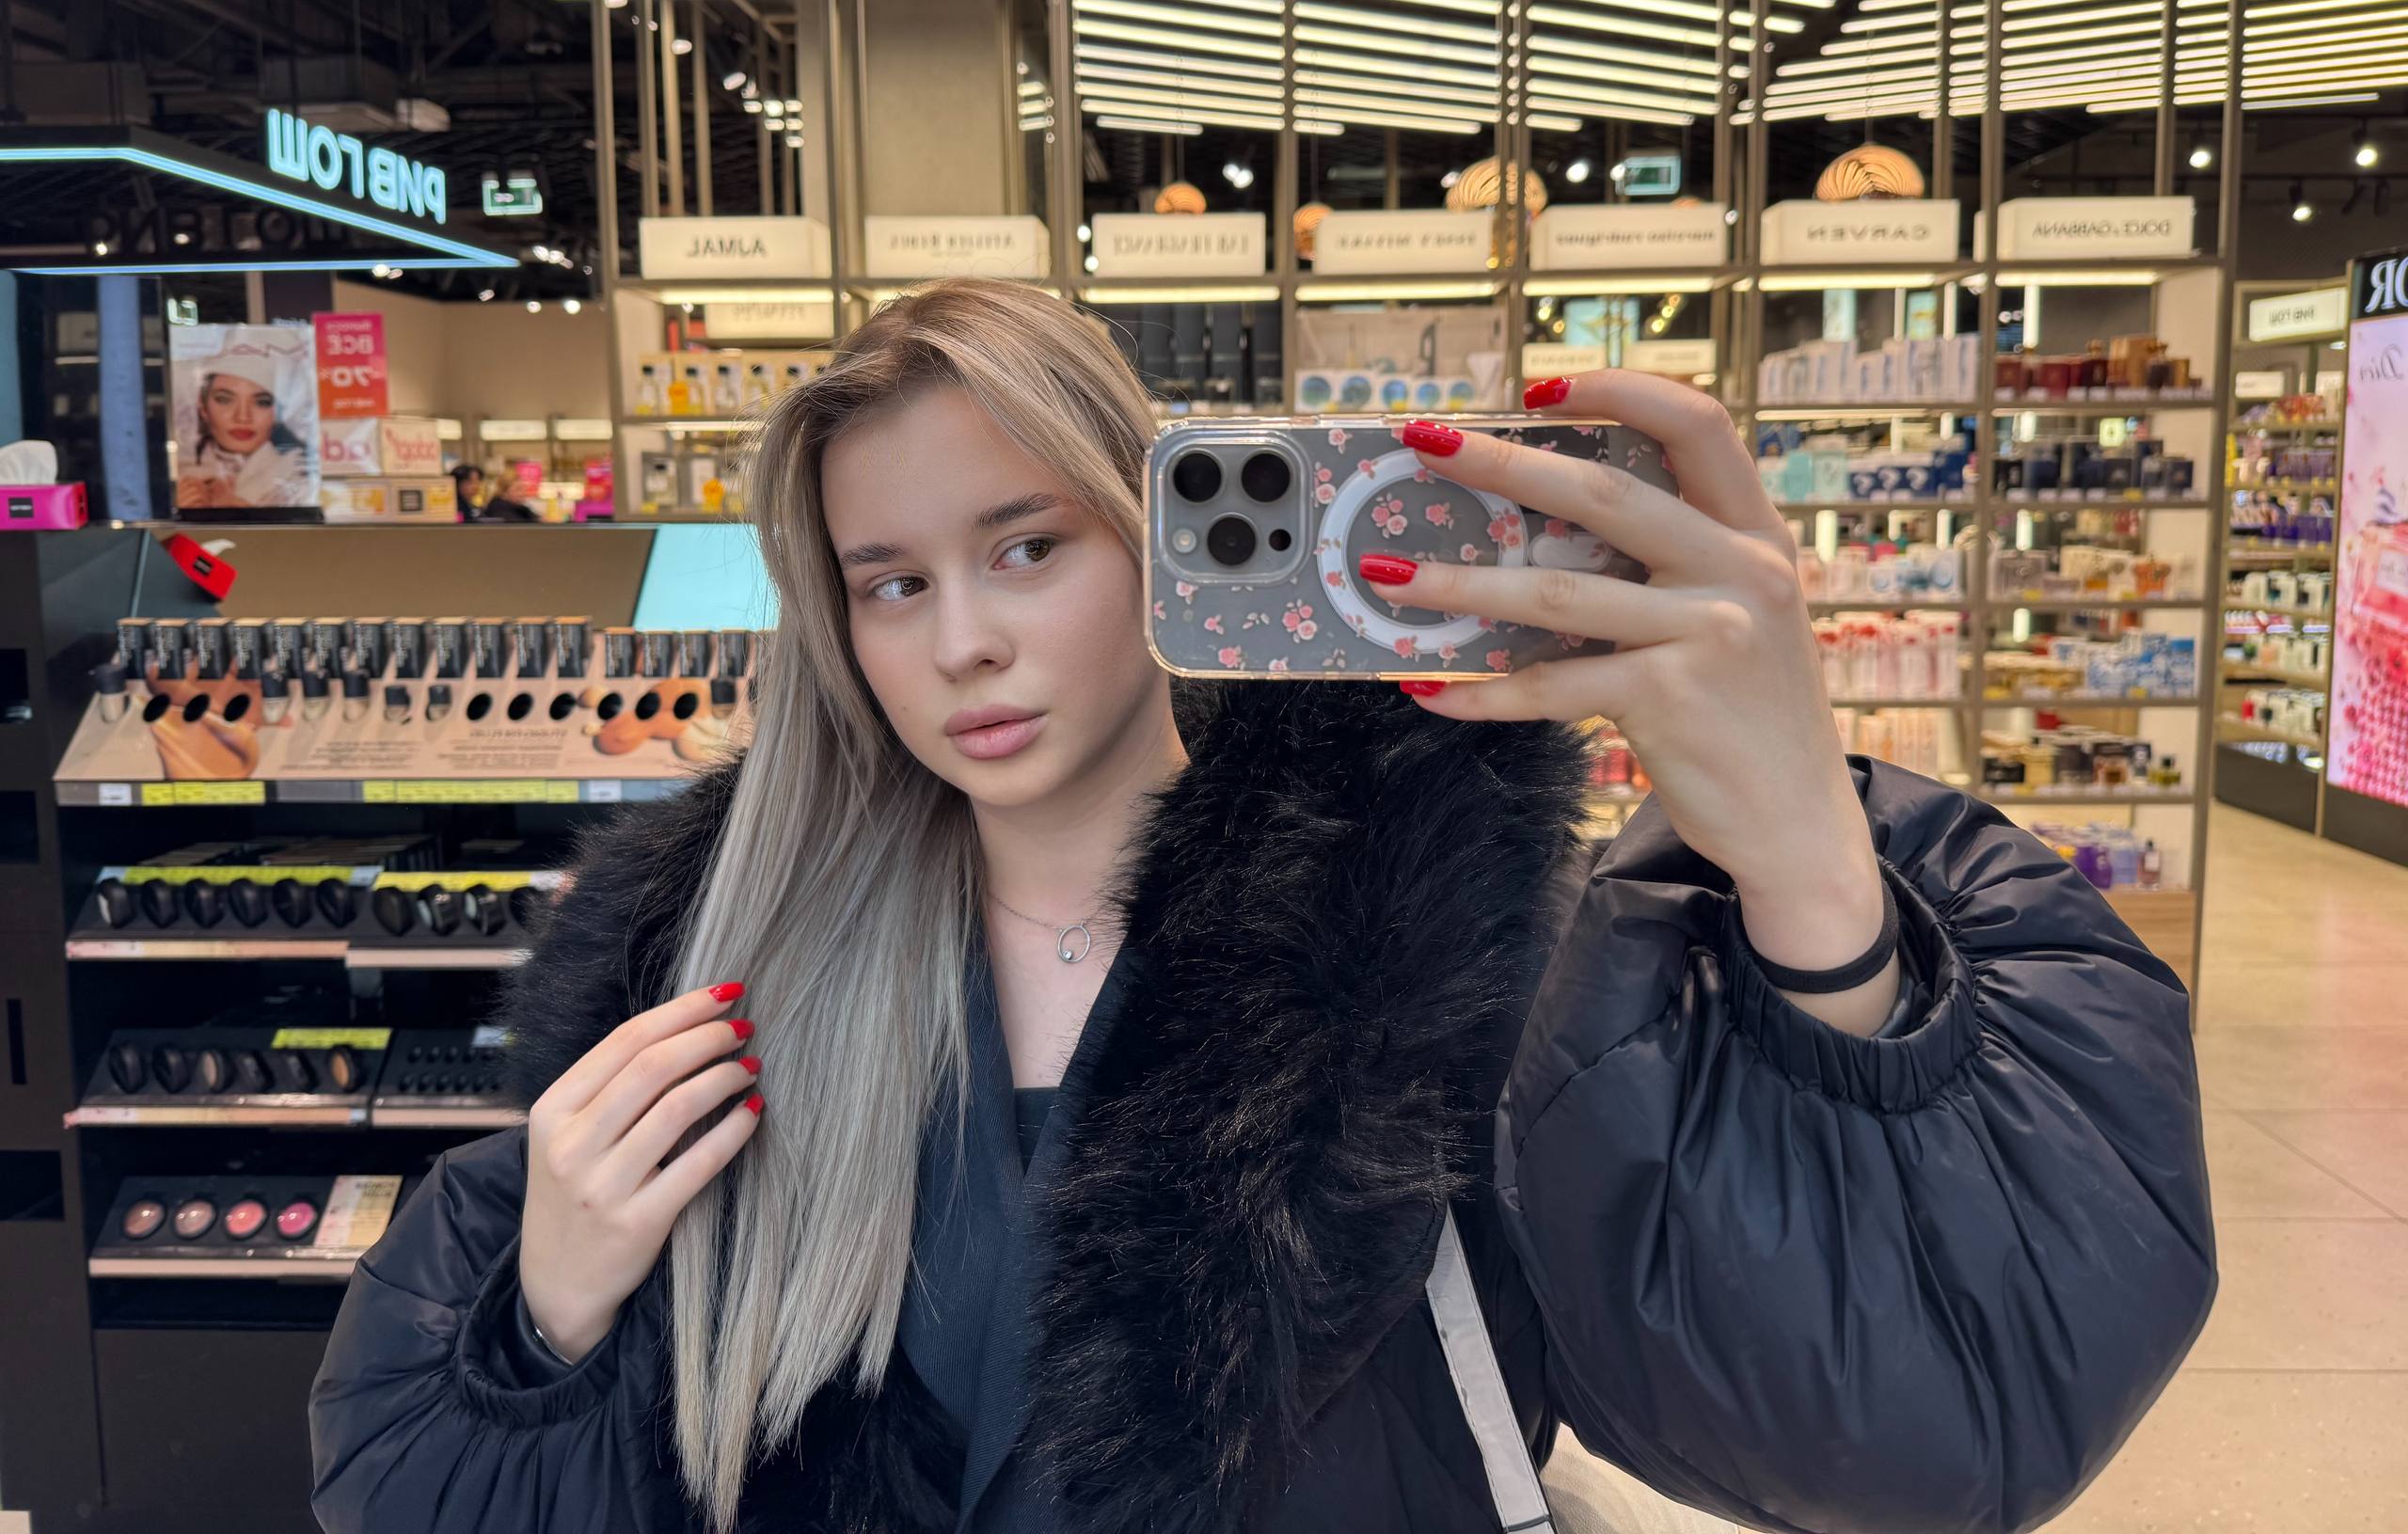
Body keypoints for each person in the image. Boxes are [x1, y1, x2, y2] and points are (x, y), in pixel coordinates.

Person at [308, 280, 2214, 1534]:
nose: (960, 640)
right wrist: (539, 1322)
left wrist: (1806, 865)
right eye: (889, 581)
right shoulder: (726, 982)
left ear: (1164, 540)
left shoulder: (1440, 964)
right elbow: (422, 1484)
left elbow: (1925, 1424)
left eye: (1027, 546)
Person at [176, 344, 313, 508]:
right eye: (224, 399)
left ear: (279, 412)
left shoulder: (296, 475)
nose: (243, 417)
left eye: (262, 402)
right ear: (203, 407)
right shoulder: (177, 472)